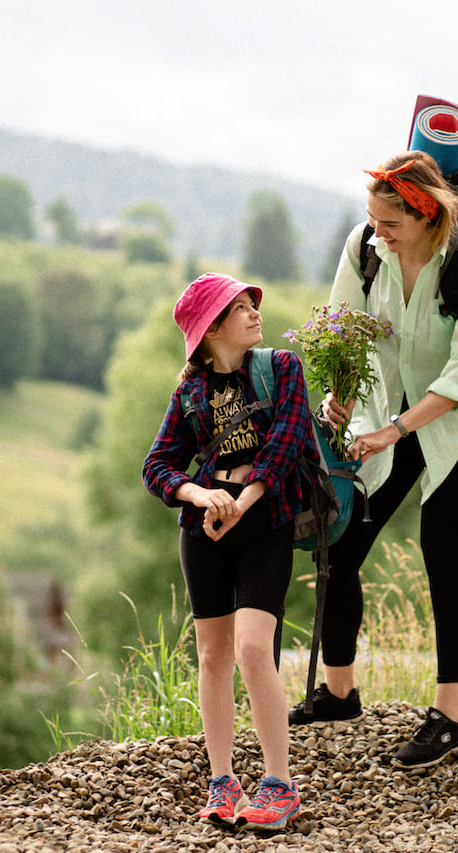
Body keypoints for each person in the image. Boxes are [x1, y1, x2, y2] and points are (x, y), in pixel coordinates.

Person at [286, 151, 458, 771]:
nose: (377, 235)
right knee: (342, 543)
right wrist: (340, 399)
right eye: (373, 222)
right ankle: (339, 692)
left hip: (457, 425)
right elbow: (344, 332)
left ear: (427, 214)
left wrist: (394, 433)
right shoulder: (364, 248)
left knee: (442, 551)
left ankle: (452, 717)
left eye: (391, 226)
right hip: (379, 412)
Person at [142, 273, 312, 830]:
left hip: (266, 524)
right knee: (212, 656)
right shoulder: (190, 392)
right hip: (204, 529)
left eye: (250, 305)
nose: (253, 314)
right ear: (211, 330)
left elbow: (286, 444)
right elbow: (157, 465)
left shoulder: (282, 368)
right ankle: (222, 781)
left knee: (253, 649)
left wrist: (244, 499)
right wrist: (198, 493)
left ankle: (279, 784)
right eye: (238, 309)